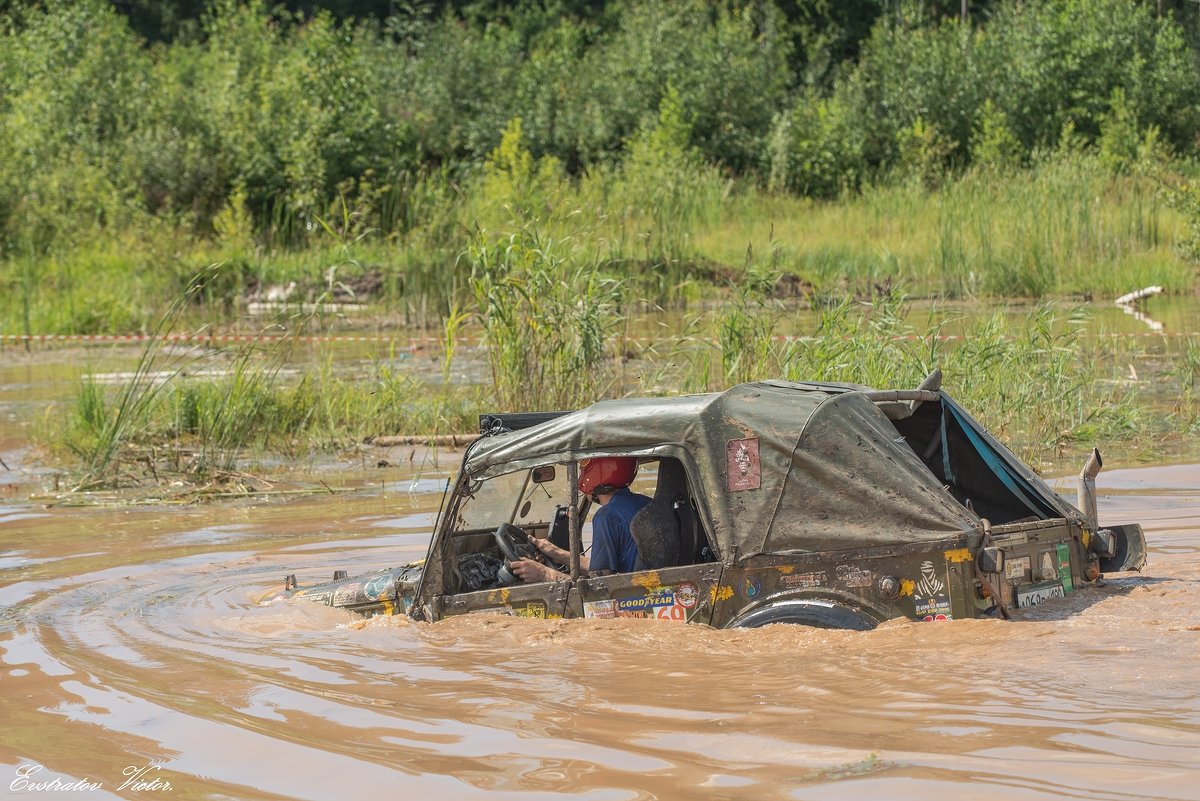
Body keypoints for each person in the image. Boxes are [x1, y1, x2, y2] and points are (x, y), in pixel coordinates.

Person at [510, 457, 651, 583]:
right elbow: (600, 568)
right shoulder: (646, 503)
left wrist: (543, 573)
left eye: (583, 468)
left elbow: (599, 584)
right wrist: (556, 552)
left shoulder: (607, 516)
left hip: (626, 601)